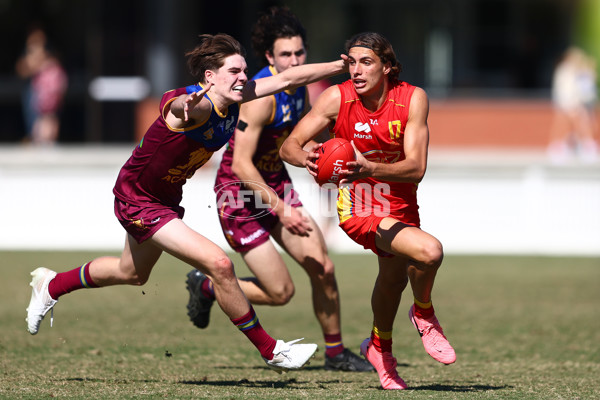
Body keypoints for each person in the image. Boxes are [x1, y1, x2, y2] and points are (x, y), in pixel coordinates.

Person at [25, 33, 348, 373]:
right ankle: (271, 350)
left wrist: (339, 65)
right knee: (220, 264)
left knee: (131, 273)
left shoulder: (237, 97)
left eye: (244, 71)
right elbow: (176, 107)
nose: (243, 78)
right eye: (234, 72)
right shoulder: (198, 103)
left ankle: (51, 284)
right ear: (210, 77)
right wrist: (184, 106)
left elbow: (288, 77)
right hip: (138, 198)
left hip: (164, 197)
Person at [184, 7, 373, 373]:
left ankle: (335, 353)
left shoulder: (298, 88)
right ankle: (207, 288)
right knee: (281, 293)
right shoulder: (259, 96)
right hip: (239, 195)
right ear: (270, 57)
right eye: (286, 54)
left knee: (323, 266)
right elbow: (240, 164)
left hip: (275, 184)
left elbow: (297, 135)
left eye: (299, 53)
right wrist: (282, 209)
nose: (295, 60)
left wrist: (337, 153)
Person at [279, 32, 456, 389]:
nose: (356, 71)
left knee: (392, 282)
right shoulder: (336, 98)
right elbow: (289, 147)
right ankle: (424, 313)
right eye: (351, 62)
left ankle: (380, 348)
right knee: (430, 252)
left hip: (401, 202)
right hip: (358, 206)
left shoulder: (412, 99)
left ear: (387, 66)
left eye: (366, 62)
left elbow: (416, 167)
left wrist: (369, 167)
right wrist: (310, 161)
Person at [15, 27, 68, 145]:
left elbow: (59, 85)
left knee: (48, 126)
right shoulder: (30, 61)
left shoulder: (52, 65)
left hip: (49, 105)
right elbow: (21, 70)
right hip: (36, 103)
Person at [548, 47, 599, 164]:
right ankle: (561, 148)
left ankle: (583, 147)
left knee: (582, 124)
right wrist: (569, 104)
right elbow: (564, 90)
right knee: (565, 125)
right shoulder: (565, 71)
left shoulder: (578, 70)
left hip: (576, 103)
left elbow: (587, 89)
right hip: (567, 103)